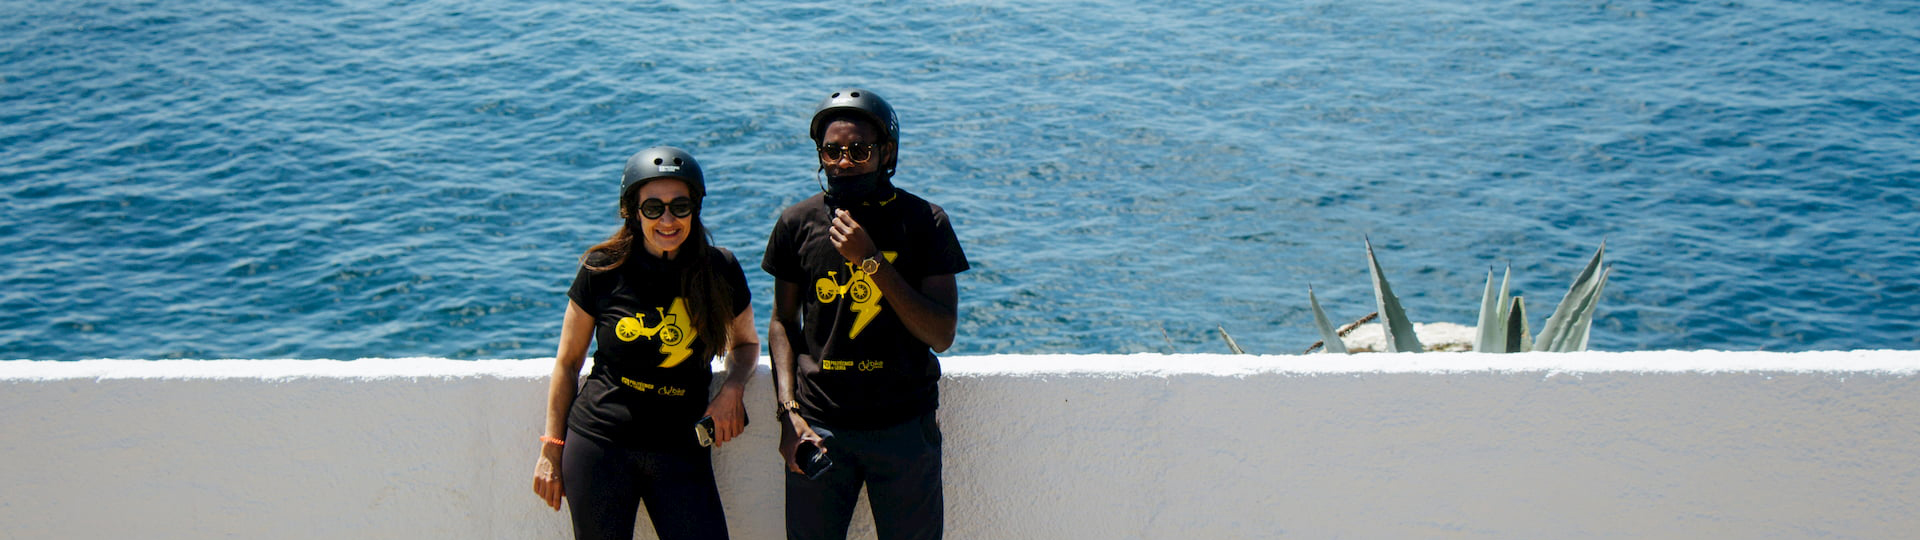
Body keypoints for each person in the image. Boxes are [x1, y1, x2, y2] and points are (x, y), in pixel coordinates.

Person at [763, 88, 969, 540]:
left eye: (859, 150)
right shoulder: (796, 223)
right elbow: (782, 322)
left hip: (903, 426)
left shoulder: (925, 222)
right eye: (832, 151)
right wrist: (789, 414)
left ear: (886, 153)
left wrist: (871, 261)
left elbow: (940, 334)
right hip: (820, 426)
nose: (843, 162)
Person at [533, 146, 759, 540]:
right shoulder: (602, 268)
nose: (667, 220)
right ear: (633, 212)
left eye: (680, 207)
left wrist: (732, 388)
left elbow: (746, 345)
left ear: (695, 209)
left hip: (680, 447)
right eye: (653, 208)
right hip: (600, 443)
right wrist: (551, 449)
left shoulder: (720, 268)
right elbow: (568, 363)